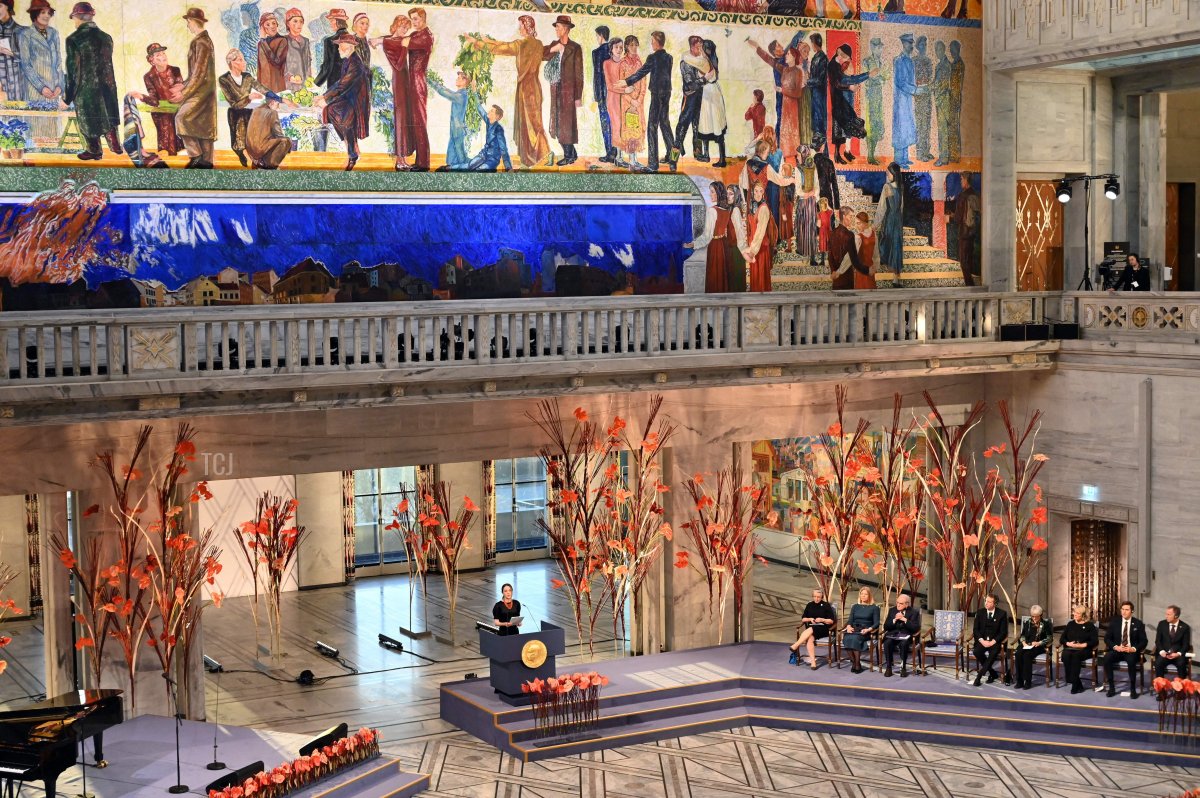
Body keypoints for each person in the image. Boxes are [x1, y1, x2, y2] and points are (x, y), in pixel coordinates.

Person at [467, 16, 549, 169]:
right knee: (535, 122)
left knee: (530, 124)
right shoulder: (538, 44)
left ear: (527, 26)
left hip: (526, 88)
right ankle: (535, 157)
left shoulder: (521, 44)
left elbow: (502, 48)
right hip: (535, 87)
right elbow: (505, 45)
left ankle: (539, 157)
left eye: (521, 26)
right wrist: (489, 40)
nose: (519, 29)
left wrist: (477, 43)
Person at [63, 1, 120, 160]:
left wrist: (67, 98)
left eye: (74, 19)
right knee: (108, 113)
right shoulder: (106, 37)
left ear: (78, 18)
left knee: (88, 119)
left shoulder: (74, 39)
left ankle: (94, 150)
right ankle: (114, 142)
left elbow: (73, 70)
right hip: (107, 87)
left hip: (86, 88)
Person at [617, 30, 673, 172]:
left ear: (656, 42)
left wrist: (626, 81)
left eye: (652, 41)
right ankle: (673, 160)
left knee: (652, 127)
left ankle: (653, 165)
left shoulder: (652, 58)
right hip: (666, 94)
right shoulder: (669, 58)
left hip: (656, 95)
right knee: (665, 125)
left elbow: (642, 73)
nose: (651, 43)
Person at [315, 32, 369, 170]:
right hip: (347, 97)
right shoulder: (347, 60)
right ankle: (351, 146)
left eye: (341, 46)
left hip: (355, 101)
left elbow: (343, 85)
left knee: (342, 117)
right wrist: (325, 96)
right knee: (332, 112)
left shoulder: (355, 63)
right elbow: (340, 82)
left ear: (349, 46)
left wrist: (326, 99)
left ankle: (352, 154)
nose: (338, 49)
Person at [175, 7, 217, 170]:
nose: (188, 26)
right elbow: (195, 73)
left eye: (188, 22)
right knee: (203, 129)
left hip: (201, 93)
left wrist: (183, 93)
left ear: (193, 22)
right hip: (204, 91)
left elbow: (198, 74)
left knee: (181, 118)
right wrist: (183, 84)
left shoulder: (200, 42)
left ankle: (196, 156)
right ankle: (205, 161)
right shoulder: (204, 40)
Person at [18, 0, 63, 144]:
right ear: (35, 14)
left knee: (53, 133)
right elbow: (26, 65)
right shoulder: (26, 35)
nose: (47, 16)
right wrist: (41, 87)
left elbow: (59, 62)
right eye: (43, 12)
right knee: (36, 130)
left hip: (53, 90)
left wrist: (59, 86)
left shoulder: (54, 33)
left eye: (49, 13)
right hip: (35, 89)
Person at [542, 14, 582, 167]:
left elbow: (579, 74)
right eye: (556, 27)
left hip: (569, 91)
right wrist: (555, 48)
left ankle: (568, 155)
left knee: (567, 123)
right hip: (555, 88)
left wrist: (578, 96)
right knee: (557, 122)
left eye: (558, 27)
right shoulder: (554, 43)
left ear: (566, 29)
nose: (556, 30)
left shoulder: (575, 48)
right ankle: (572, 153)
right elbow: (541, 54)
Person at [374, 14, 412, 170]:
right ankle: (399, 160)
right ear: (396, 25)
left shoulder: (392, 39)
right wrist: (404, 47)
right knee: (401, 120)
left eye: (406, 28)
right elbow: (398, 64)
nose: (404, 30)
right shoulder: (391, 43)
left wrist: (379, 39)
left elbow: (388, 38)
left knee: (405, 120)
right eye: (402, 27)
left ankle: (403, 159)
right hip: (399, 82)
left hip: (406, 82)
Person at [218, 49, 267, 168]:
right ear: (233, 63)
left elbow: (262, 89)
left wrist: (275, 97)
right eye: (241, 60)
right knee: (239, 140)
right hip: (236, 114)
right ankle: (242, 153)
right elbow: (234, 104)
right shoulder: (224, 79)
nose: (244, 62)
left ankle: (254, 158)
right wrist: (249, 97)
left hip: (249, 112)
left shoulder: (247, 77)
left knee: (254, 137)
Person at [828, 43, 869, 165]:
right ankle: (837, 154)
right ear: (838, 52)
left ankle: (846, 152)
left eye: (846, 58)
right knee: (838, 129)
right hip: (837, 100)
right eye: (843, 56)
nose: (843, 59)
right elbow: (836, 84)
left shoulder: (839, 65)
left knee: (847, 125)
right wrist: (849, 87)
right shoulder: (832, 65)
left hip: (842, 100)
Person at [402, 8, 432, 172]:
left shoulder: (426, 36)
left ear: (423, 18)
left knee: (420, 122)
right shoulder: (415, 35)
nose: (413, 22)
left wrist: (380, 41)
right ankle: (419, 160)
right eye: (412, 20)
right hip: (412, 82)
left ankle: (424, 163)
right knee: (415, 122)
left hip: (419, 83)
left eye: (415, 19)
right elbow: (400, 39)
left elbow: (402, 42)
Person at [141, 43, 182, 156]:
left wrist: (179, 94)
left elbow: (181, 87)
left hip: (177, 107)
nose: (163, 56)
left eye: (163, 53)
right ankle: (167, 154)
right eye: (158, 54)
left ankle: (173, 153)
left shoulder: (175, 70)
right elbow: (154, 99)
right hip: (162, 111)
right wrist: (142, 97)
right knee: (164, 117)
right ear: (151, 60)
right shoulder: (148, 76)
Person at [428, 70, 473, 171]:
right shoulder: (460, 94)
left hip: (457, 130)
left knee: (461, 157)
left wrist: (432, 82)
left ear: (465, 81)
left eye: (459, 78)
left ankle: (464, 170)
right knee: (452, 158)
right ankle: (452, 168)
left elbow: (446, 93)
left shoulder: (461, 95)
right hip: (455, 129)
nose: (457, 79)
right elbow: (447, 91)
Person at [1104, 600, 1147, 699]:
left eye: (1127, 610)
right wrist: (1116, 647)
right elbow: (1107, 638)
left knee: (1131, 661)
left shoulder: (1138, 623)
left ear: (1132, 611)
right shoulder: (1115, 622)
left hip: (1130, 651)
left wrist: (1133, 648)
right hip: (1118, 649)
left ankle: (1132, 689)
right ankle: (1111, 687)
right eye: (1122, 609)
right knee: (1107, 658)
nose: (1124, 612)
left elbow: (1144, 641)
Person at [673, 35, 707, 163]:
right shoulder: (685, 62)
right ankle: (673, 158)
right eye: (698, 47)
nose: (700, 49)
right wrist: (704, 79)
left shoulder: (701, 60)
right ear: (692, 47)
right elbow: (690, 84)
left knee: (697, 126)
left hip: (699, 98)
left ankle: (697, 154)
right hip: (689, 98)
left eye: (701, 47)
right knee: (682, 126)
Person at [891, 33, 921, 168]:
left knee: (907, 128)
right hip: (901, 101)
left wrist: (916, 89)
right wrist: (915, 90)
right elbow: (900, 82)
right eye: (909, 43)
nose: (911, 46)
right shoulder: (899, 61)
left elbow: (911, 80)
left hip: (907, 101)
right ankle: (898, 161)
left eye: (912, 43)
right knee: (900, 129)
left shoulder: (909, 61)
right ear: (904, 44)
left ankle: (905, 158)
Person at [788, 588, 837, 670]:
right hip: (812, 628)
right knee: (810, 637)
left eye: (818, 597)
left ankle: (795, 645)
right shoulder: (809, 605)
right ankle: (813, 662)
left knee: (810, 629)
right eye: (814, 596)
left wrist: (822, 620)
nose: (816, 598)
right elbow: (803, 619)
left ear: (822, 597)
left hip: (823, 628)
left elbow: (831, 621)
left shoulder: (826, 605)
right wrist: (810, 619)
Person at [619, 35, 647, 171]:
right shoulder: (623, 63)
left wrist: (639, 100)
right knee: (629, 131)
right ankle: (631, 161)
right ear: (626, 47)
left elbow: (643, 83)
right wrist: (631, 101)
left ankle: (635, 160)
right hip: (627, 103)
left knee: (637, 131)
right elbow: (621, 85)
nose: (634, 47)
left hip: (638, 104)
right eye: (631, 45)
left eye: (636, 45)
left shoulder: (639, 62)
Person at [743, 180, 776, 293]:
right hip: (754, 245)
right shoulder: (752, 207)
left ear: (763, 193)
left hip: (760, 247)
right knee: (755, 279)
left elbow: (760, 232)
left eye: (760, 191)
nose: (757, 194)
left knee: (761, 280)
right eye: (755, 191)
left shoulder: (763, 208)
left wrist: (752, 250)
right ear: (752, 192)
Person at [458, 102, 511, 172]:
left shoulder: (498, 129)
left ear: (497, 116)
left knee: (479, 171)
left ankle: (491, 170)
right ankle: (449, 168)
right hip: (483, 154)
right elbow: (480, 110)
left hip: (492, 159)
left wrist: (508, 167)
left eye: (492, 111)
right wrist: (474, 93)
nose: (489, 111)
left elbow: (503, 149)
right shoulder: (489, 122)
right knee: (470, 165)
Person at [971, 593, 1009, 686]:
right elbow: (975, 629)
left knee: (992, 654)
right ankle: (992, 673)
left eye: (989, 601)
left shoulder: (1002, 614)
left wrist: (993, 642)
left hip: (995, 642)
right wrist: (982, 640)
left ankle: (979, 677)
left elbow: (1003, 632)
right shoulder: (980, 612)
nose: (986, 603)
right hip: (983, 641)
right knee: (977, 651)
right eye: (986, 601)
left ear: (994, 603)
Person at [876, 162, 905, 283]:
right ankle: (896, 278)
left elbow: (881, 208)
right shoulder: (901, 187)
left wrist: (876, 224)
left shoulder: (887, 187)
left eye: (888, 171)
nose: (887, 173)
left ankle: (893, 276)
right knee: (896, 245)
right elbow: (902, 206)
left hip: (890, 219)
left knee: (887, 243)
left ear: (893, 173)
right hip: (898, 219)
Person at [1012, 604, 1053, 689]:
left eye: (1036, 616)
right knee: (1018, 654)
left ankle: (1028, 681)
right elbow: (1022, 635)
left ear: (1040, 615)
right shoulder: (1028, 622)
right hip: (1026, 644)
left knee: (1027, 656)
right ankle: (1019, 681)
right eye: (1032, 616)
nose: (1034, 618)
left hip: (1038, 646)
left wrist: (1040, 642)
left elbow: (1049, 638)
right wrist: (1023, 643)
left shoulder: (1046, 624)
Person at [1060, 604, 1098, 694]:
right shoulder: (1070, 624)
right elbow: (1062, 639)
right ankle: (1077, 682)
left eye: (1077, 613)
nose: (1075, 615)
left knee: (1075, 657)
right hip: (1070, 648)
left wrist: (1083, 645)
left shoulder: (1090, 626)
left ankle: (1074, 685)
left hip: (1084, 650)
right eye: (1074, 612)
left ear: (1083, 615)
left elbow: (1095, 641)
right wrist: (1068, 643)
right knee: (1065, 655)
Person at [246, 90, 289, 169]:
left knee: (271, 139)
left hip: (251, 151)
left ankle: (258, 161)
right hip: (260, 149)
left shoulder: (256, 110)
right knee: (286, 141)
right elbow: (278, 134)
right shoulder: (272, 113)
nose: (278, 107)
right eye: (278, 104)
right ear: (272, 102)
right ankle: (270, 165)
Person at [841, 587, 880, 674]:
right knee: (846, 638)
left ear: (869, 596)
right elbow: (850, 619)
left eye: (865, 594)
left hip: (865, 631)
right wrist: (848, 626)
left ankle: (857, 665)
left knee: (855, 639)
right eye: (862, 594)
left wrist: (868, 629)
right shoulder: (855, 606)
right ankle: (855, 663)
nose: (863, 596)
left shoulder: (874, 608)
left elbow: (876, 623)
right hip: (854, 629)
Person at [882, 593, 921, 677]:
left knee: (904, 644)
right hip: (893, 635)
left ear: (907, 604)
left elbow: (915, 628)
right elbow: (885, 627)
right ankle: (889, 667)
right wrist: (894, 620)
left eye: (901, 603)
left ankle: (903, 667)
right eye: (897, 602)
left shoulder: (914, 612)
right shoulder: (892, 610)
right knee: (887, 643)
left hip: (906, 637)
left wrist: (904, 619)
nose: (898, 605)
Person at [829, 206, 867, 290]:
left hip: (836, 278)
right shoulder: (849, 235)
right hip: (847, 277)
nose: (852, 219)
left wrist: (833, 271)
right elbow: (854, 259)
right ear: (844, 216)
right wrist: (867, 270)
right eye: (850, 216)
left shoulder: (832, 233)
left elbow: (830, 256)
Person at [702, 181, 730, 293]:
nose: (710, 194)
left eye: (712, 192)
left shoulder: (712, 210)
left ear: (718, 193)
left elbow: (707, 236)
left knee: (714, 273)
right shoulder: (727, 210)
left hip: (714, 244)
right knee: (721, 273)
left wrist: (694, 243)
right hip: (724, 243)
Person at [863, 37, 886, 165]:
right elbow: (865, 79)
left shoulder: (880, 62)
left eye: (881, 47)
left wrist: (882, 78)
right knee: (870, 126)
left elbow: (882, 77)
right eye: (878, 47)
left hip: (879, 97)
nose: (880, 49)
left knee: (877, 125)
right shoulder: (867, 61)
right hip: (870, 97)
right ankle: (870, 155)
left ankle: (873, 154)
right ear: (872, 47)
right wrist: (877, 79)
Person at [953, 172, 979, 285]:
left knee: (963, 260)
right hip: (972, 232)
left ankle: (969, 284)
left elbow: (958, 217)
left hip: (964, 232)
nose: (960, 182)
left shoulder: (962, 196)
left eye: (961, 180)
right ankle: (971, 284)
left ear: (965, 179)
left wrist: (950, 217)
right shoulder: (975, 194)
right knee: (969, 258)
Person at [591, 25, 613, 163]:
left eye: (597, 36)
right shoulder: (613, 49)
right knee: (614, 123)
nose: (597, 39)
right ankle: (614, 152)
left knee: (605, 123)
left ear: (601, 36)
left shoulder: (596, 52)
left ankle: (610, 153)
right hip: (613, 92)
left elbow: (597, 75)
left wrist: (596, 94)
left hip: (602, 93)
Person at [314, 7, 348, 88]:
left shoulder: (330, 41)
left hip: (335, 84)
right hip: (350, 84)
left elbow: (327, 66)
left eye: (332, 20)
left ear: (338, 22)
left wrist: (316, 83)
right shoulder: (354, 40)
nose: (330, 23)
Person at [1154, 605, 1191, 679]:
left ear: (1176, 616)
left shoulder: (1185, 627)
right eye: (1166, 614)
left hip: (1177, 655)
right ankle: (1161, 687)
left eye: (1169, 614)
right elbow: (1158, 640)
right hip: (1165, 653)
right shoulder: (1162, 624)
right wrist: (1161, 651)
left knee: (1182, 664)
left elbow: (1186, 644)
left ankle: (1180, 688)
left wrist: (1178, 654)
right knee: (1158, 663)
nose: (1166, 616)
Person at [913, 36, 933, 163]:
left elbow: (930, 76)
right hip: (919, 95)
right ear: (917, 47)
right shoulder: (914, 61)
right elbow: (912, 78)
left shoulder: (928, 60)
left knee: (927, 124)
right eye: (922, 45)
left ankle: (926, 151)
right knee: (920, 125)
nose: (924, 47)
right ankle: (920, 153)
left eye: (925, 45)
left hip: (927, 95)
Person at [256, 11, 287, 93]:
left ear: (277, 25)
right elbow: (260, 67)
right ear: (263, 28)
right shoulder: (261, 43)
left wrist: (263, 40)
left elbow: (277, 61)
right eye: (268, 24)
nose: (272, 26)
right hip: (263, 86)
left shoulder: (282, 40)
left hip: (277, 85)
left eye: (274, 23)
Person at [806, 33, 828, 152]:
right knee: (815, 116)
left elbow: (820, 79)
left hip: (819, 93)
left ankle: (820, 143)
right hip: (814, 92)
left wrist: (808, 81)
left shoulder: (823, 58)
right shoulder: (815, 57)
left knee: (819, 116)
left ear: (815, 43)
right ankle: (817, 142)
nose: (812, 45)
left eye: (812, 43)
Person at [725, 184, 748, 292]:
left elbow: (739, 233)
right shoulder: (730, 209)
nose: (728, 196)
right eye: (727, 194)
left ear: (737, 196)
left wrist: (743, 250)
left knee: (736, 282)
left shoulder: (735, 211)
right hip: (731, 249)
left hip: (736, 251)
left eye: (731, 194)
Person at [0, 0, 23, 102]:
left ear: (8, 8)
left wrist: (11, 53)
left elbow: (31, 60)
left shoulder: (21, 32)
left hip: (17, 89)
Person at [853, 210, 878, 289]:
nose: (856, 226)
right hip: (863, 269)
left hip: (868, 268)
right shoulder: (872, 234)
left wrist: (875, 267)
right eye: (856, 223)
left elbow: (876, 253)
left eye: (858, 223)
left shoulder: (859, 236)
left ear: (865, 223)